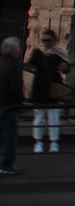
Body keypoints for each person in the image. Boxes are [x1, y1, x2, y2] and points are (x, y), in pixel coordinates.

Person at [26, 29, 70, 153]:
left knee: (53, 116)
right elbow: (30, 65)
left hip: (53, 86)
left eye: (48, 40)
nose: (45, 43)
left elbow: (67, 69)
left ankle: (54, 142)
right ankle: (38, 142)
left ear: (54, 40)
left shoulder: (59, 53)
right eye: (43, 40)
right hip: (40, 87)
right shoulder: (38, 52)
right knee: (39, 116)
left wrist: (64, 68)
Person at [0, 37, 23, 175]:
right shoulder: (14, 65)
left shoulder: (2, 62)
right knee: (10, 137)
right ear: (14, 50)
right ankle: (7, 165)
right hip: (9, 106)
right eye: (19, 47)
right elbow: (15, 88)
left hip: (2, 104)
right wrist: (20, 103)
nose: (20, 50)